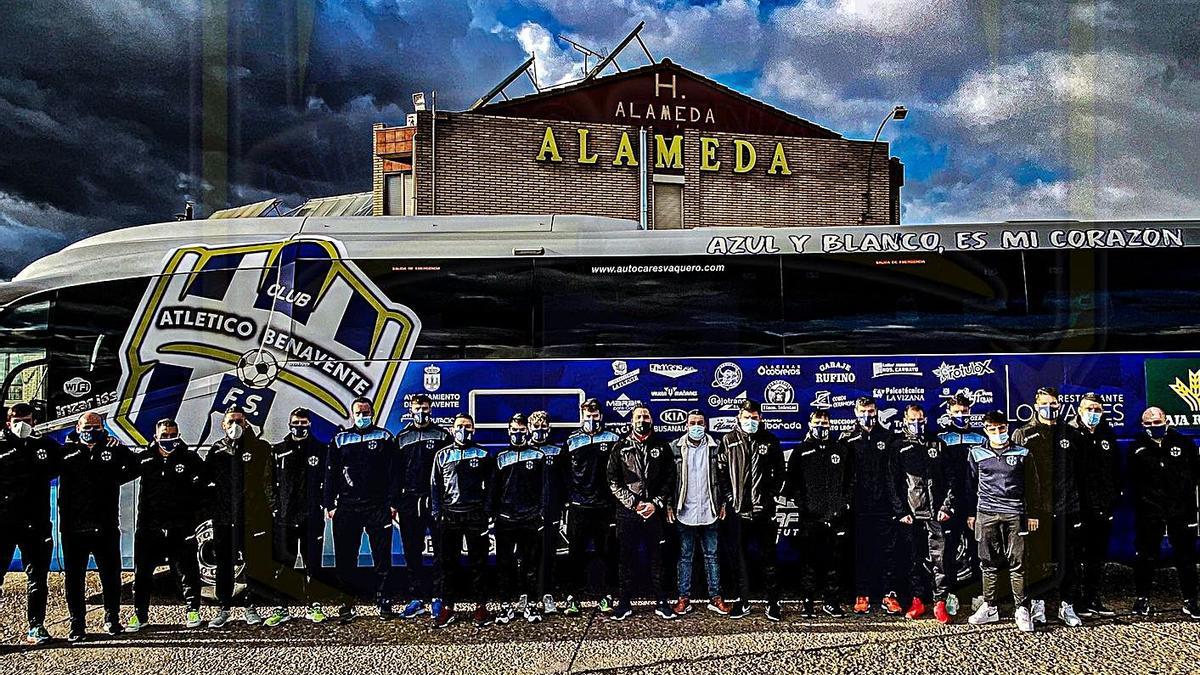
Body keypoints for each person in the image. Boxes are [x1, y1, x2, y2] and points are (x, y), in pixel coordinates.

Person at [57, 412, 137, 641]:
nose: (91, 430)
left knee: (110, 576)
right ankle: (77, 624)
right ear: (78, 426)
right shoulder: (66, 452)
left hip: (105, 526)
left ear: (102, 428)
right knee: (74, 579)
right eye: (87, 426)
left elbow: (134, 467)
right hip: (73, 529)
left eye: (96, 426)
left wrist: (120, 449)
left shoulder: (111, 450)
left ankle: (112, 618)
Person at [1011, 386, 1084, 627]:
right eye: (1045, 404)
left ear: (1060, 405)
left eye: (1054, 404)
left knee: (1069, 559)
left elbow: (1082, 473)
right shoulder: (1023, 434)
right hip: (1037, 512)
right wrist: (1027, 510)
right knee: (1038, 559)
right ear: (1035, 405)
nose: (1050, 408)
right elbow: (1016, 477)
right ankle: (1038, 604)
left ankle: (1067, 605)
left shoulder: (1071, 433)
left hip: (1067, 507)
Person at [324, 397, 398, 623]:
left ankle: (384, 600)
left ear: (372, 413)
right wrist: (330, 505)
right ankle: (346, 603)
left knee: (382, 557)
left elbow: (394, 473)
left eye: (366, 412)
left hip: (378, 506)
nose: (362, 416)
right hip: (347, 507)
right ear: (351, 413)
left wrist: (392, 503)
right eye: (358, 412)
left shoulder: (385, 437)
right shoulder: (340, 439)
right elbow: (330, 474)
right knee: (346, 557)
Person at [966, 411, 1041, 633]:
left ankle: (1021, 608)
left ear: (1007, 428)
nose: (998, 433)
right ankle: (990, 607)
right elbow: (970, 486)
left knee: (1017, 561)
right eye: (992, 429)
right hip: (986, 513)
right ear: (985, 430)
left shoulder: (1023, 452)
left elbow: (1033, 486)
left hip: (1015, 513)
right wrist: (972, 513)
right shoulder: (976, 453)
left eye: (1001, 428)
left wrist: (1033, 514)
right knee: (988, 561)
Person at [129, 418, 205, 632]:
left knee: (187, 570)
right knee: (142, 573)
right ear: (156, 437)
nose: (168, 440)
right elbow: (120, 471)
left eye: (172, 435)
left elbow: (204, 486)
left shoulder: (190, 459)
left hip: (180, 527)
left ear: (178, 436)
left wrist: (192, 517)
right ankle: (139, 615)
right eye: (164, 436)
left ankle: (192, 610)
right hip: (149, 527)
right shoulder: (145, 458)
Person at [204, 404, 273, 628]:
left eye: (240, 421)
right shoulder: (216, 450)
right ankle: (223, 608)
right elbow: (205, 480)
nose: (235, 425)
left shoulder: (259, 447)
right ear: (223, 426)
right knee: (224, 564)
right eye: (231, 422)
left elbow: (267, 478)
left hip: (252, 518)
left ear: (247, 423)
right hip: (224, 518)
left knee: (254, 564)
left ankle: (250, 606)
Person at [607, 404, 677, 621]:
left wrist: (655, 503)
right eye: (638, 417)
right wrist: (634, 504)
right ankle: (624, 603)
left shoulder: (662, 446)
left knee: (658, 559)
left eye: (646, 416)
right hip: (628, 513)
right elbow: (612, 480)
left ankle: (662, 602)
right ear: (631, 421)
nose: (642, 420)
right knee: (626, 559)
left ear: (652, 420)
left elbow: (669, 478)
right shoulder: (620, 447)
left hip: (654, 513)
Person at [1127, 407, 1199, 618]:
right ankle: (1142, 599)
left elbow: (1195, 473)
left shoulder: (1184, 443)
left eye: (1157, 422)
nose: (1153, 427)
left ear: (1166, 421)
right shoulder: (1137, 447)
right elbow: (1132, 479)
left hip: (1180, 511)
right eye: (1148, 424)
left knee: (1186, 557)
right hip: (1149, 511)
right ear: (1142, 425)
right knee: (1146, 557)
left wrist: (1182, 498)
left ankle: (1191, 601)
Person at [719, 399, 786, 621]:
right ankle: (743, 601)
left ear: (761, 419)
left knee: (769, 558)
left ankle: (773, 602)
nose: (750, 421)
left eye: (754, 418)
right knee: (740, 559)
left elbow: (781, 472)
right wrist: (731, 499)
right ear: (739, 418)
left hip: (764, 511)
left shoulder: (770, 440)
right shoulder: (728, 441)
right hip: (738, 512)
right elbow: (721, 476)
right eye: (746, 417)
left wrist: (771, 496)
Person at [265, 407, 330, 626]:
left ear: (310, 425)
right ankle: (281, 608)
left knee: (314, 565)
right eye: (296, 422)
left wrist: (325, 504)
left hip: (311, 517)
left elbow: (328, 481)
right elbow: (268, 483)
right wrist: (275, 507)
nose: (299, 426)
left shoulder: (321, 449)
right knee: (284, 564)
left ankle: (315, 605)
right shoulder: (278, 450)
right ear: (289, 423)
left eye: (303, 423)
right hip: (284, 518)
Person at [0, 402, 59, 645]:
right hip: (3, 526)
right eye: (16, 419)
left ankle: (36, 626)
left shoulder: (44, 445)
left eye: (27, 419)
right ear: (7, 422)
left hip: (36, 525)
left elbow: (69, 461)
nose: (21, 424)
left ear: (34, 421)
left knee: (37, 579)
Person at [430, 413, 494, 628]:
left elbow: (492, 488)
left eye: (467, 427)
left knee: (479, 562)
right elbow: (435, 487)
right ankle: (448, 607)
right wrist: (438, 512)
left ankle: (481, 606)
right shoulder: (441, 455)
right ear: (451, 429)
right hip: (450, 516)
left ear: (473, 430)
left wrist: (486, 512)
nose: (463, 430)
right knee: (449, 564)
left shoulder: (483, 454)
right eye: (459, 426)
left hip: (475, 515)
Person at [785, 409, 850, 618]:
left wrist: (843, 503)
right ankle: (807, 603)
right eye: (817, 422)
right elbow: (791, 483)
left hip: (836, 517)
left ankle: (831, 602)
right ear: (809, 424)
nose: (821, 426)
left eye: (825, 423)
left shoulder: (840, 450)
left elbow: (850, 481)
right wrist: (803, 504)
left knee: (834, 563)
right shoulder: (801, 451)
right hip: (809, 518)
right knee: (809, 563)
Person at [893, 404, 954, 623]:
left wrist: (946, 506)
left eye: (920, 419)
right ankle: (917, 601)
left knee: (940, 560)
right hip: (911, 515)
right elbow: (893, 482)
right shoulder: (898, 446)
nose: (917, 424)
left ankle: (940, 603)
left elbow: (951, 478)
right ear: (905, 420)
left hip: (936, 514)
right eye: (913, 420)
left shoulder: (937, 443)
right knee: (913, 560)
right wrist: (900, 512)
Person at [392, 394, 450, 619]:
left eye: (425, 408)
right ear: (410, 409)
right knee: (412, 551)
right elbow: (394, 473)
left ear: (431, 409)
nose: (421, 412)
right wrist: (394, 502)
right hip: (409, 502)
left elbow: (449, 470)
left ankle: (438, 597)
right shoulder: (402, 437)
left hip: (434, 501)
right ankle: (416, 597)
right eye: (417, 408)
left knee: (440, 552)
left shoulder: (442, 435)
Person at [668, 410, 731, 617]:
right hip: (684, 510)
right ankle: (683, 598)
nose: (696, 426)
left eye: (700, 423)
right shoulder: (675, 448)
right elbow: (669, 481)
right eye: (692, 423)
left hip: (709, 509)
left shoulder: (716, 447)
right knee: (685, 556)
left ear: (706, 425)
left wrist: (722, 503)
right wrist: (669, 504)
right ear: (686, 425)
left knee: (712, 556)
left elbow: (724, 477)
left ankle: (716, 597)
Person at [845, 396, 904, 616]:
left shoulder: (887, 438)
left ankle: (889, 594)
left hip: (885, 507)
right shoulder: (847, 440)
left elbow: (895, 476)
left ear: (876, 412)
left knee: (888, 552)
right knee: (861, 552)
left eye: (871, 411)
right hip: (859, 507)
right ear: (855, 411)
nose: (867, 415)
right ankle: (862, 594)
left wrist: (896, 506)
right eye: (863, 411)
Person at [562, 398, 621, 616]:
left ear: (601, 416)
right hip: (579, 508)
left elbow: (619, 473)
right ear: (581, 416)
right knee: (575, 555)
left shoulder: (614, 439)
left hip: (605, 508)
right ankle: (572, 598)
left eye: (595, 416)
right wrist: (571, 498)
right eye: (587, 416)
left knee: (607, 554)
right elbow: (564, 473)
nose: (591, 420)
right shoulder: (571, 441)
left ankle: (607, 596)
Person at [1067, 393, 1120, 617]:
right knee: (1075, 557)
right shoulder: (1069, 433)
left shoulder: (1107, 434)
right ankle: (1075, 601)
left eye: (1097, 409)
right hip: (1078, 508)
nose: (1093, 413)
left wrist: (1111, 500)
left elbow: (1115, 472)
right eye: (1089, 409)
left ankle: (1092, 599)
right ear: (1079, 410)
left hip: (1102, 508)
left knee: (1097, 557)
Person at [492, 413, 546, 625]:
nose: (518, 434)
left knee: (531, 565)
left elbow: (544, 489)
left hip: (530, 519)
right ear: (508, 431)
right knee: (504, 565)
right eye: (514, 431)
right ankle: (506, 607)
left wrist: (540, 513)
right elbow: (493, 491)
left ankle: (531, 605)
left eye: (522, 431)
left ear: (528, 432)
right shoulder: (500, 457)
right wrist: (493, 514)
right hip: (505, 520)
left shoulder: (538, 455)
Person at [937, 394, 986, 614]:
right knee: (948, 551)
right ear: (948, 413)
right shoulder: (941, 438)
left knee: (978, 551)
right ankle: (952, 595)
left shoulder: (981, 437)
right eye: (956, 411)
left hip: (976, 503)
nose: (961, 415)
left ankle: (978, 594)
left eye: (964, 411)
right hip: (950, 504)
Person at [530, 410, 566, 616]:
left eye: (544, 427)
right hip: (527, 515)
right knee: (528, 556)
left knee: (548, 555)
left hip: (552, 512)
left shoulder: (557, 451)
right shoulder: (523, 451)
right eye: (536, 427)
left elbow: (563, 482)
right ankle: (527, 596)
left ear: (549, 429)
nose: (540, 430)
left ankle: (547, 594)